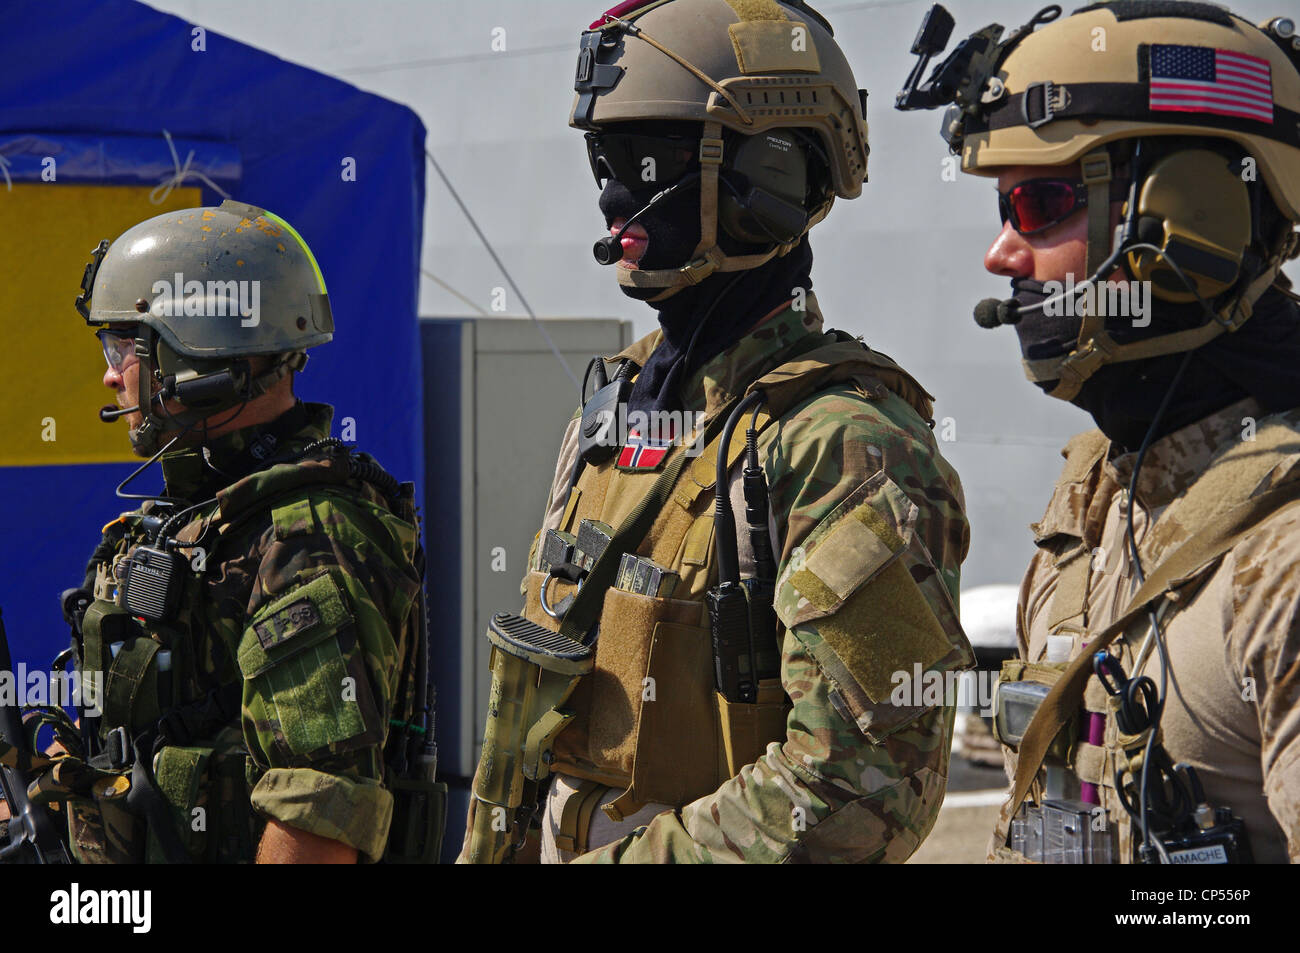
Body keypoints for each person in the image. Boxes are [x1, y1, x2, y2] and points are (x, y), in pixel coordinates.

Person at [460, 0, 973, 864]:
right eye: (605, 159)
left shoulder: (841, 443)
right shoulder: (617, 402)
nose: (614, 192)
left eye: (648, 158)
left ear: (767, 183)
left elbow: (858, 789)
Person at [897, 1, 1300, 862]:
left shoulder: (1284, 554)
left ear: (1190, 221)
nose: (1001, 258)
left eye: (1038, 204)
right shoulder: (1105, 493)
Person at [23, 199, 437, 863]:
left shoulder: (308, 539)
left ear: (196, 356)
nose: (109, 371)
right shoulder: (187, 522)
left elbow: (316, 821)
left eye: (126, 343)